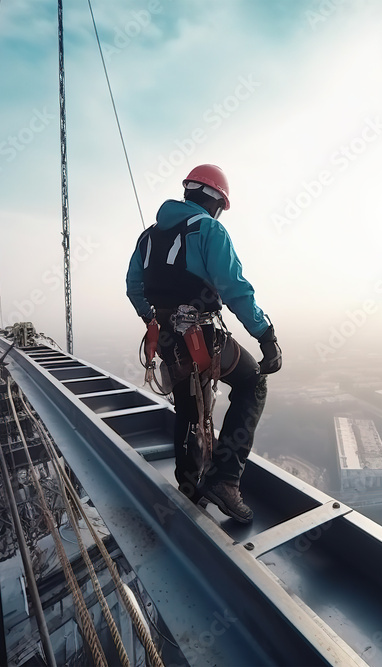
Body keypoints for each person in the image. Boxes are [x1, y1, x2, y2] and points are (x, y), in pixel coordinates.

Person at [126, 164, 281, 523]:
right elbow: (234, 288)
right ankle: (225, 481)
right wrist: (266, 335)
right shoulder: (209, 229)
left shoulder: (147, 238)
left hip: (169, 340)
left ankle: (189, 485)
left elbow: (134, 288)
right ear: (215, 201)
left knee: (187, 406)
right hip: (201, 336)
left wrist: (153, 319)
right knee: (253, 383)